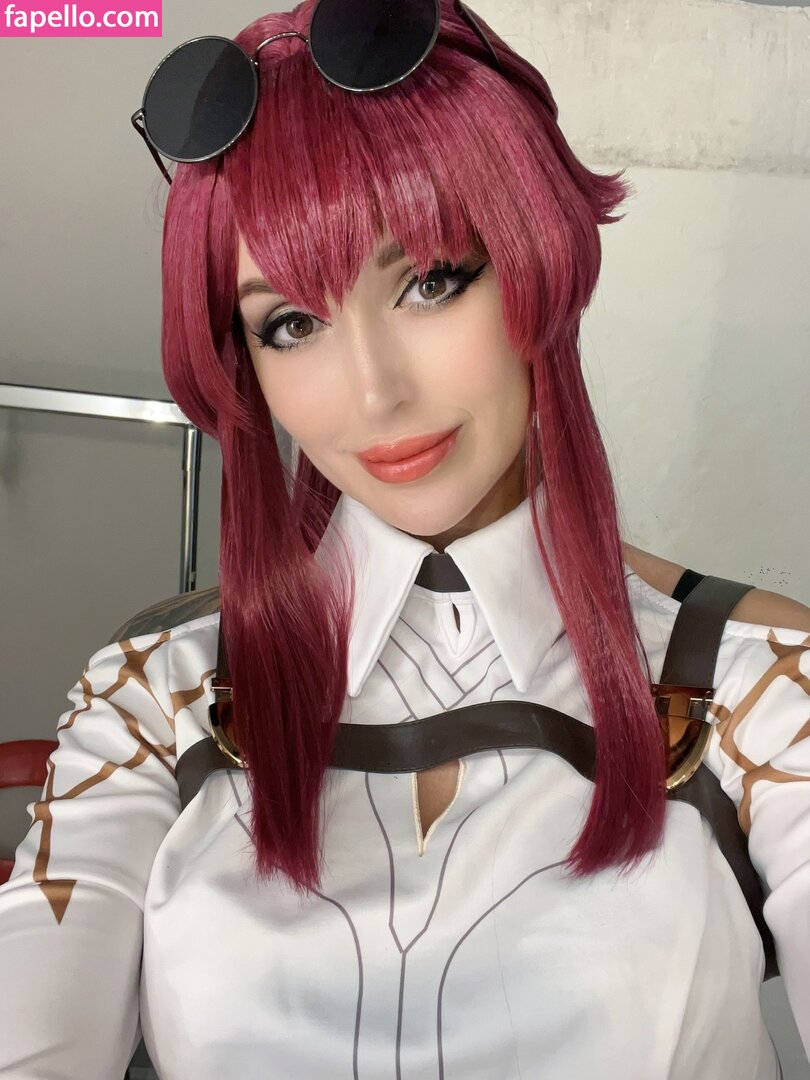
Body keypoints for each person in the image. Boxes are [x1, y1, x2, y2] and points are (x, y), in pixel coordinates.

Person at [1, 1, 808, 1077]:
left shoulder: (758, 688)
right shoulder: (156, 694)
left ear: (533, 258)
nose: (374, 392)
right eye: (292, 323)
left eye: (430, 281)